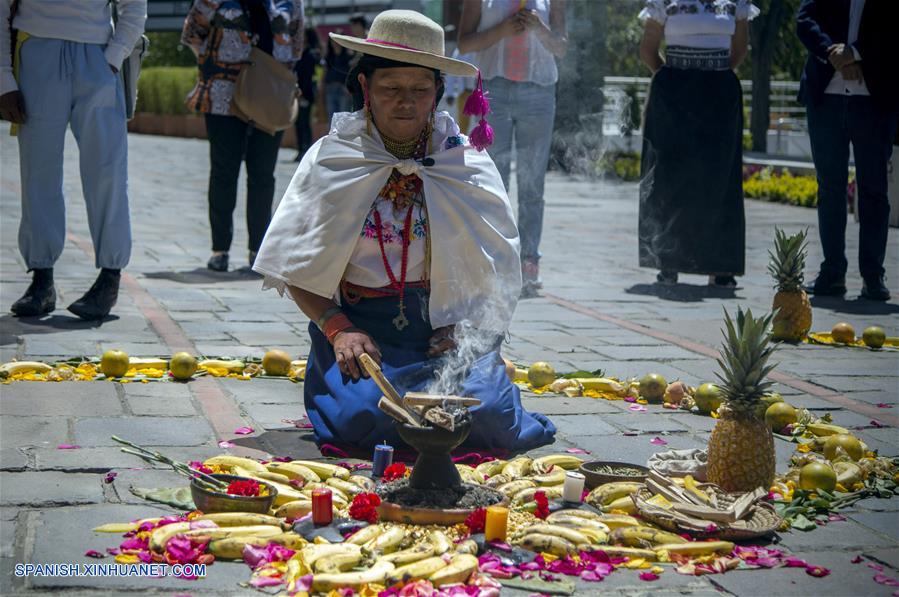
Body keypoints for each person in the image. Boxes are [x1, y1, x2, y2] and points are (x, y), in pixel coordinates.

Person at [252, 9, 556, 454]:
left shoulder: (462, 161)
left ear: (437, 92)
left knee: (483, 415)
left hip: (444, 335)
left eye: (419, 89)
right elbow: (295, 265)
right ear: (364, 88)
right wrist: (338, 329)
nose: (406, 102)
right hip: (363, 333)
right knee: (370, 417)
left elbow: (500, 266)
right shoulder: (334, 158)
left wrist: (469, 328)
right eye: (391, 88)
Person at [0, 0, 147, 320]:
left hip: (97, 55)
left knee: (107, 169)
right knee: (38, 171)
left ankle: (110, 276)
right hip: (36, 51)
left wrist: (113, 57)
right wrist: (4, 78)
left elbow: (134, 5)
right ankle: (42, 280)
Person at [637, 0, 757, 289]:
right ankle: (669, 261)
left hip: (718, 94)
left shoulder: (734, 3)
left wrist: (709, 77)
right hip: (674, 93)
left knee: (719, 179)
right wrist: (675, 79)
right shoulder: (665, 2)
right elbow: (647, 50)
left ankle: (720, 266)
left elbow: (739, 50)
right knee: (670, 177)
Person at [181, 0, 304, 273]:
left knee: (263, 175)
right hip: (223, 93)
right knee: (224, 172)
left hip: (269, 95)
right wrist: (217, 61)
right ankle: (220, 249)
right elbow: (192, 33)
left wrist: (272, 74)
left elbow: (296, 42)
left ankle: (258, 250)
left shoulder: (289, 2)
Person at [458, 0, 568, 298]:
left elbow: (560, 47)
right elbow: (464, 43)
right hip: (495, 89)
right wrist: (502, 29)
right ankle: (496, 260)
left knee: (533, 183)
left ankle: (529, 261)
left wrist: (539, 28)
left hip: (539, 92)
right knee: (494, 181)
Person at [797, 0, 899, 301]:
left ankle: (873, 276)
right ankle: (832, 272)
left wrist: (853, 53)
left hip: (874, 99)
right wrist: (833, 52)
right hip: (825, 97)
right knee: (830, 187)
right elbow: (804, 19)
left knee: (874, 190)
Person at [293, 26, 320, 161]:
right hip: (296, 94)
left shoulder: (310, 54)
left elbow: (308, 77)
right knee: (298, 123)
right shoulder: (298, 53)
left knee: (304, 123)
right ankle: (300, 149)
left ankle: (306, 150)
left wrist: (304, 94)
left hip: (306, 94)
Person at [323, 33, 352, 118]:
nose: (335, 43)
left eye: (337, 41)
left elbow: (350, 73)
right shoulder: (328, 57)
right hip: (330, 88)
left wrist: (348, 88)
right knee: (332, 119)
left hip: (343, 89)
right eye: (333, 41)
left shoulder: (348, 56)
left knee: (344, 119)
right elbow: (325, 73)